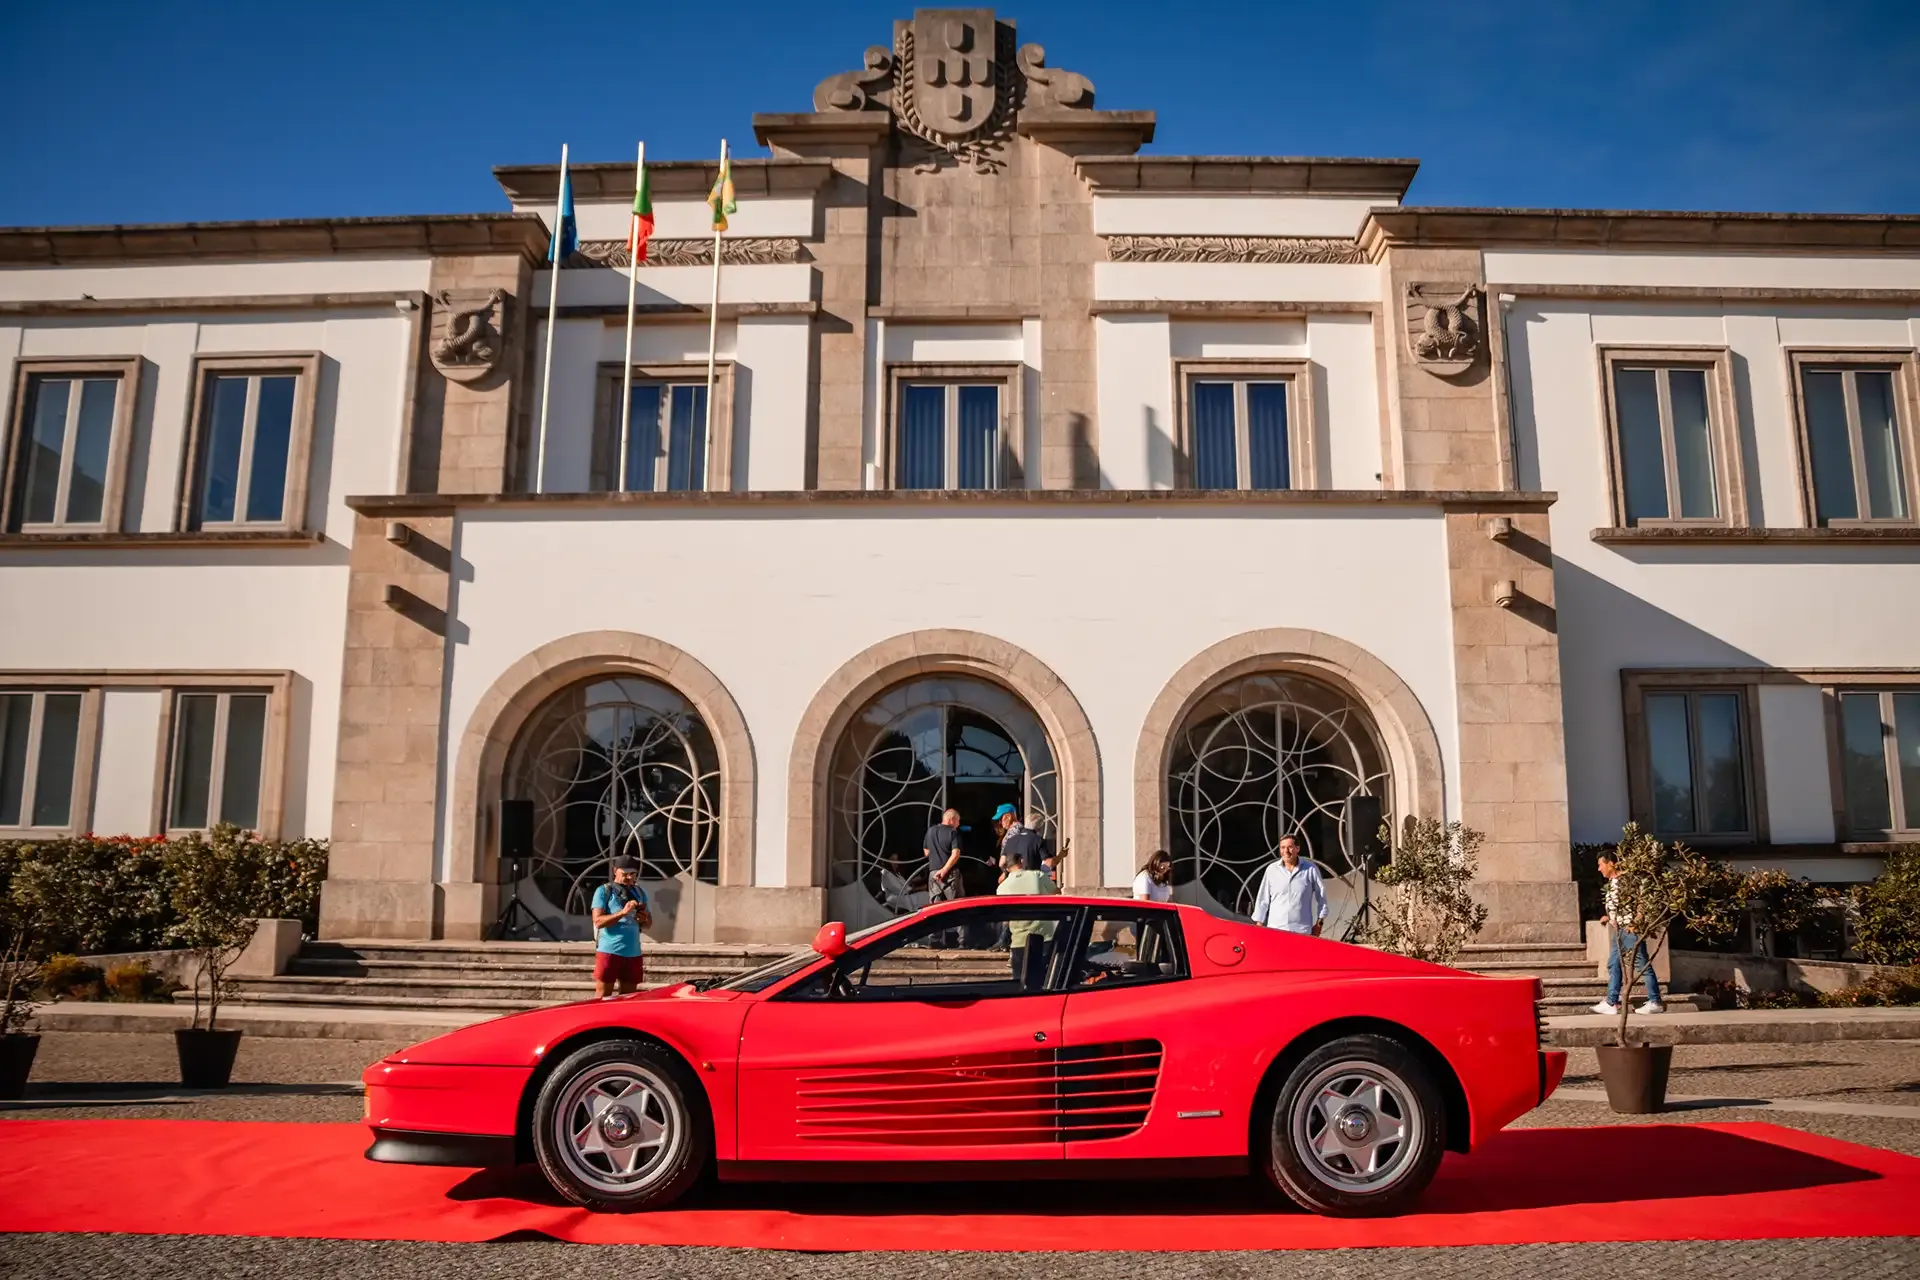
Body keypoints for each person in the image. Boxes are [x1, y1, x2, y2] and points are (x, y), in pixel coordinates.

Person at [1594, 851, 1664, 1015]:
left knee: (1642, 965)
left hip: (1629, 930)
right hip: (1619, 930)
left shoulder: (1626, 881)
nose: (1599, 869)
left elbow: (1641, 902)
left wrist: (1635, 922)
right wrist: (1609, 917)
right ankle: (1611, 1002)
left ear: (1611, 863)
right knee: (1614, 964)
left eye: (1600, 865)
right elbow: (1619, 906)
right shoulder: (1612, 883)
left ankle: (1655, 1001)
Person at [589, 856, 651, 998]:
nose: (629, 877)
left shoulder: (640, 893)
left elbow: (648, 924)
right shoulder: (604, 891)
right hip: (609, 951)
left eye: (632, 874)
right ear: (615, 871)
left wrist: (644, 918)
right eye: (625, 874)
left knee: (628, 999)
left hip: (633, 953)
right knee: (603, 997)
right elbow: (598, 921)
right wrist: (623, 913)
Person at [996, 854, 1059, 984]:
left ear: (1007, 868)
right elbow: (1057, 893)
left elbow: (1005, 920)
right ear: (1022, 861)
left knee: (1020, 982)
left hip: (1019, 941)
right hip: (1044, 937)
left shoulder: (1002, 888)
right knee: (1047, 981)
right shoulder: (1037, 875)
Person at [1250, 835, 1327, 936]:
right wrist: (1259, 923)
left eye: (1290, 847)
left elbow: (1322, 897)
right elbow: (1263, 899)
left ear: (1297, 848)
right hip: (1276, 930)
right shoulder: (1272, 870)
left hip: (1301, 931)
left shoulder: (1310, 869)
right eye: (1282, 847)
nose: (1286, 851)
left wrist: (1319, 923)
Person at [923, 808, 964, 902]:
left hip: (933, 873)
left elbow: (926, 852)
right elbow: (956, 854)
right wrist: (944, 870)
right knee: (955, 904)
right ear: (951, 819)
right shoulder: (953, 833)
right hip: (950, 874)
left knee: (935, 906)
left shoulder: (930, 831)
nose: (958, 824)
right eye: (958, 821)